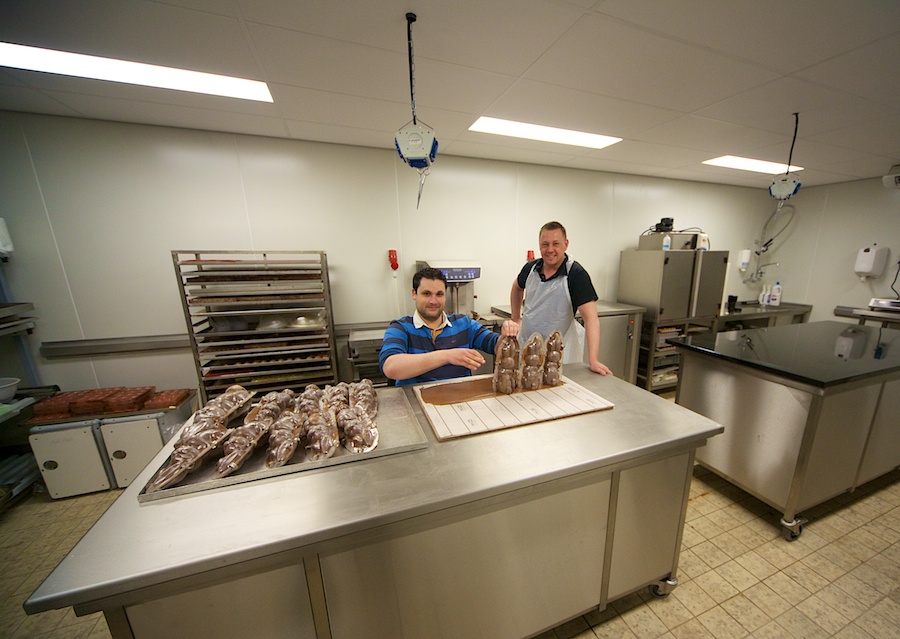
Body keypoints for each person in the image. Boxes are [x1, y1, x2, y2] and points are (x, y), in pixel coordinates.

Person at [380, 267, 519, 386]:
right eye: (426, 294)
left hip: (458, 400)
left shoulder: (464, 324)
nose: (433, 301)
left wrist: (505, 336)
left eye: (439, 294)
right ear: (414, 294)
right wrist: (447, 356)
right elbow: (391, 367)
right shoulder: (401, 328)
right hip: (416, 401)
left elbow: (496, 346)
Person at [510, 221, 612, 375]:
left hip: (558, 354)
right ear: (539, 246)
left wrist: (593, 360)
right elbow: (517, 287)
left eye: (555, 244)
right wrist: (515, 318)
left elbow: (591, 319)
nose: (550, 249)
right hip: (527, 348)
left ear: (566, 244)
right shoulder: (531, 269)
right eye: (545, 244)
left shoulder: (576, 275)